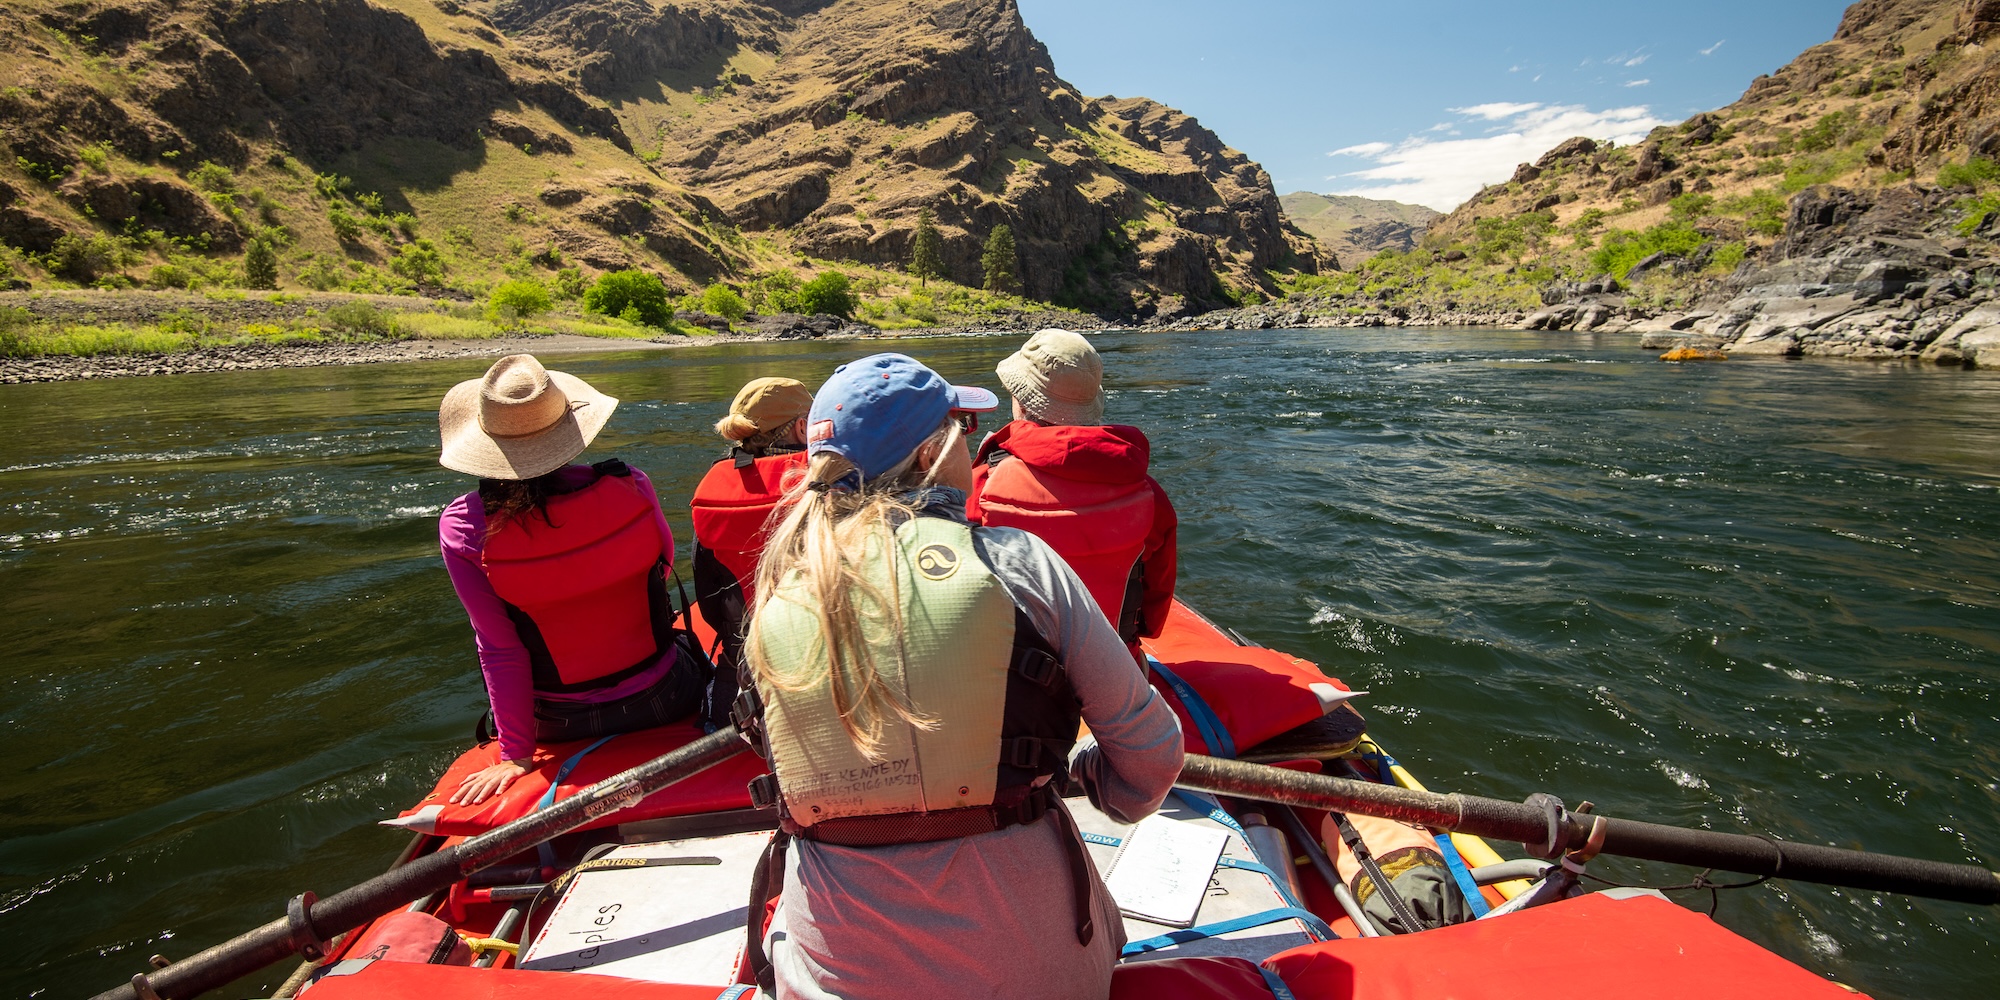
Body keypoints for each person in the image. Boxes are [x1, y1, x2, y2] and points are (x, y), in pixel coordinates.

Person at [741, 353, 1184, 1000]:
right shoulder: (1020, 564)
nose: (971, 447)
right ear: (928, 457)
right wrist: (1095, 781)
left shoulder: (775, 598)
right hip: (1039, 974)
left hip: (830, 979)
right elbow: (1151, 760)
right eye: (962, 430)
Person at [435, 355, 705, 806]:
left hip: (556, 721)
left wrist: (516, 755)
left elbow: (500, 647)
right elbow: (658, 569)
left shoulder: (462, 527)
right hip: (663, 697)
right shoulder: (631, 484)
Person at [967, 329, 1179, 649]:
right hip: (1115, 669)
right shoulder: (1149, 494)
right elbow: (1153, 611)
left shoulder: (981, 482)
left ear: (1021, 404)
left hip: (1011, 679)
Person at [689, 377, 813, 729]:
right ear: (803, 428)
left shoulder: (713, 491)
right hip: (823, 671)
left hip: (743, 676)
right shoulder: (829, 484)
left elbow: (709, 601)